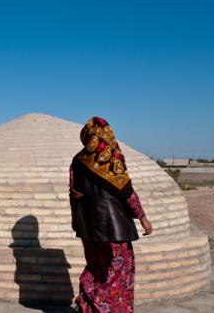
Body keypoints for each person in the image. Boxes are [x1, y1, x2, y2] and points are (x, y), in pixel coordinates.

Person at [69, 117, 153, 312]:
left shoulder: (77, 160)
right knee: (117, 272)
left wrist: (76, 222)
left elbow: (74, 194)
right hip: (115, 229)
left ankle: (89, 305)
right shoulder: (110, 158)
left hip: (88, 228)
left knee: (95, 267)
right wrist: (142, 217)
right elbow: (126, 192)